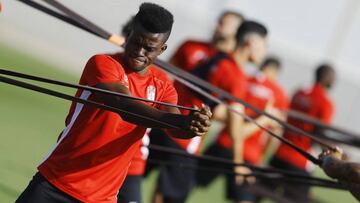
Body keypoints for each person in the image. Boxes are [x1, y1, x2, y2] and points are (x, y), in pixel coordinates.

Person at [15, 3, 212, 203]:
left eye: (149, 48)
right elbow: (124, 105)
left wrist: (193, 126)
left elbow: (175, 129)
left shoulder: (164, 88)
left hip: (103, 198)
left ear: (162, 49)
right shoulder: (103, 64)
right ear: (129, 35)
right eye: (136, 42)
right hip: (56, 182)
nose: (139, 52)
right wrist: (179, 122)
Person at [146, 11, 244, 203]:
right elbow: (162, 76)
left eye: (224, 24)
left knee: (168, 196)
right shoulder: (191, 46)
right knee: (128, 174)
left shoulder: (233, 70)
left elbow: (229, 113)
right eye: (218, 21)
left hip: (186, 139)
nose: (217, 26)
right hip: (161, 121)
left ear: (236, 32)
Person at [195, 21, 277, 203]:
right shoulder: (236, 75)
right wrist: (238, 162)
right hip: (183, 133)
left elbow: (217, 111)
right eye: (265, 45)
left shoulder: (221, 60)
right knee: (172, 192)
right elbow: (235, 127)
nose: (265, 52)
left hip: (186, 131)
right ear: (252, 43)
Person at [269, 64, 336, 203]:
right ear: (327, 77)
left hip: (280, 154)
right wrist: (336, 154)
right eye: (333, 77)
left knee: (258, 192)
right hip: (299, 161)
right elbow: (320, 136)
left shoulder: (298, 93)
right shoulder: (325, 103)